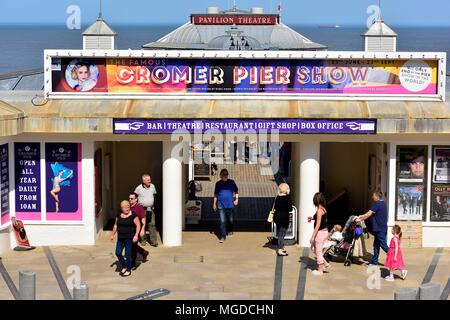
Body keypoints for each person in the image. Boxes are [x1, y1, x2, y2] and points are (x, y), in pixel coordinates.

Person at [357, 191, 389, 266]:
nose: (372, 197)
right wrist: (362, 216)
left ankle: (394, 258)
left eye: (373, 196)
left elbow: (369, 214)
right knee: (376, 245)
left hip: (379, 229)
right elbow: (369, 213)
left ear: (377, 197)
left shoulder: (378, 204)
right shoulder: (382, 203)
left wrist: (360, 219)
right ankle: (374, 261)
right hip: (381, 228)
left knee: (383, 245)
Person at [110, 200, 140, 277]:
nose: (127, 209)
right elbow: (116, 225)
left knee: (127, 254)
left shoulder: (133, 215)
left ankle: (128, 270)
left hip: (129, 239)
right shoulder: (119, 215)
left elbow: (138, 225)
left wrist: (136, 235)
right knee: (118, 253)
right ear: (121, 208)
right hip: (120, 238)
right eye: (125, 207)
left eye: (128, 207)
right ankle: (124, 265)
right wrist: (112, 235)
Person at [213, 169, 239, 243]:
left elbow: (236, 191)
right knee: (222, 221)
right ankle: (223, 236)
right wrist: (214, 204)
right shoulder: (218, 184)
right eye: (223, 175)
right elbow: (216, 195)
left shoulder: (232, 182)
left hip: (230, 205)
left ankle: (230, 230)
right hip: (221, 205)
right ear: (220, 176)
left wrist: (236, 199)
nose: (225, 176)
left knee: (230, 220)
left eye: (226, 175)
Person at [310, 192, 331, 276]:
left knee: (318, 252)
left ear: (316, 201)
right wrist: (312, 218)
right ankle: (325, 264)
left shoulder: (319, 211)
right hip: (324, 232)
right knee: (313, 249)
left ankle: (320, 270)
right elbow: (321, 221)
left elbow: (318, 225)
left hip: (320, 233)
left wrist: (312, 236)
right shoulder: (324, 209)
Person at [134, 174, 158, 247]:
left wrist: (151, 203)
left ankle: (153, 241)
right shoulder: (139, 188)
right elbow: (134, 197)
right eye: (148, 180)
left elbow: (153, 195)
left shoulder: (152, 186)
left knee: (152, 224)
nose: (150, 181)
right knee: (142, 225)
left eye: (150, 179)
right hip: (141, 209)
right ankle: (143, 240)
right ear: (144, 181)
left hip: (150, 209)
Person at [129, 193, 149, 268]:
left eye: (132, 198)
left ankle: (133, 263)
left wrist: (142, 229)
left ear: (136, 199)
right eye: (129, 198)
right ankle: (144, 252)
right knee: (132, 245)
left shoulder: (139, 207)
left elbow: (143, 219)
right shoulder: (130, 207)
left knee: (133, 246)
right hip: (130, 229)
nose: (130, 200)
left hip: (137, 229)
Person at [273, 183, 293, 256]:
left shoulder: (277, 197)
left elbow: (274, 207)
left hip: (277, 217)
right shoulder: (287, 198)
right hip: (284, 218)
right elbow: (290, 208)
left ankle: (281, 247)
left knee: (280, 233)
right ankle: (280, 249)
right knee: (282, 234)